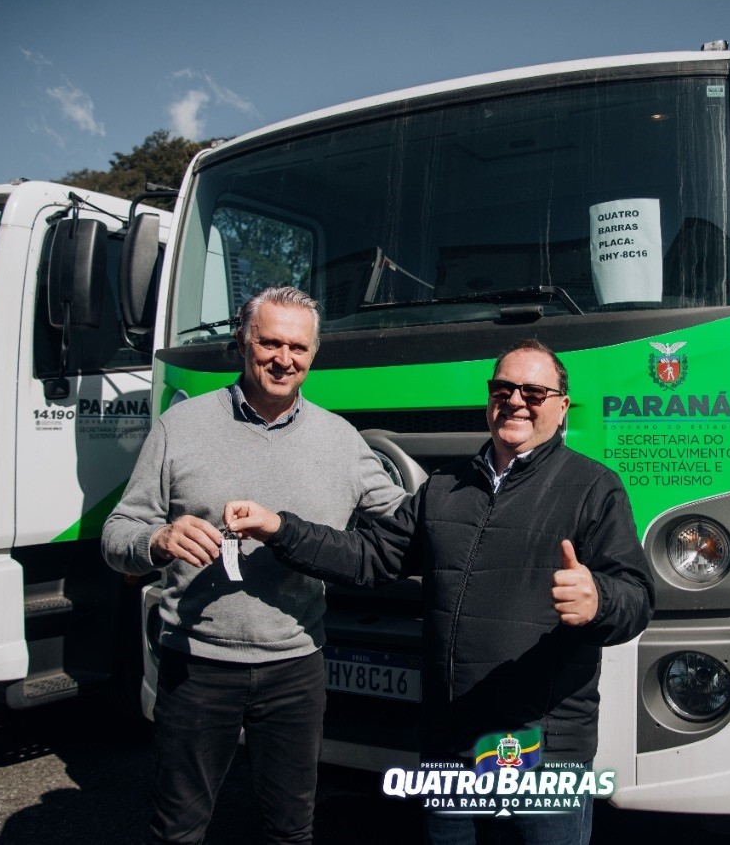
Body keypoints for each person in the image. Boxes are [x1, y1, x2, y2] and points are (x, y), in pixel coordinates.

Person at [225, 338, 655, 845]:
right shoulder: (444, 487)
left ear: (561, 407)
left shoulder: (594, 488)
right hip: (450, 745)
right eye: (503, 389)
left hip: (542, 748)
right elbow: (369, 556)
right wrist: (280, 529)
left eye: (534, 393)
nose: (515, 401)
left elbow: (636, 597)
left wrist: (599, 599)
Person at [101, 285, 405, 845]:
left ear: (313, 354)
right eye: (270, 343)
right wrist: (158, 538)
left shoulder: (341, 440)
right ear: (243, 342)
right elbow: (117, 533)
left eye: (298, 348)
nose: (284, 359)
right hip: (197, 665)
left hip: (296, 667)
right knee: (177, 830)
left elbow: (408, 521)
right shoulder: (180, 426)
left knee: (290, 832)